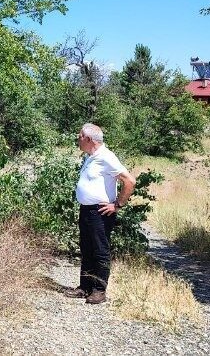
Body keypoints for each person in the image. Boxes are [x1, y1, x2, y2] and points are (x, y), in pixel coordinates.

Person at [64, 123, 135, 304]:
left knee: (100, 250)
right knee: (87, 248)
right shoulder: (91, 157)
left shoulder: (106, 157)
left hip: (100, 212)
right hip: (87, 209)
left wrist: (117, 205)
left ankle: (99, 290)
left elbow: (129, 181)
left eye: (80, 136)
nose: (78, 139)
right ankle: (85, 287)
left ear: (88, 139)